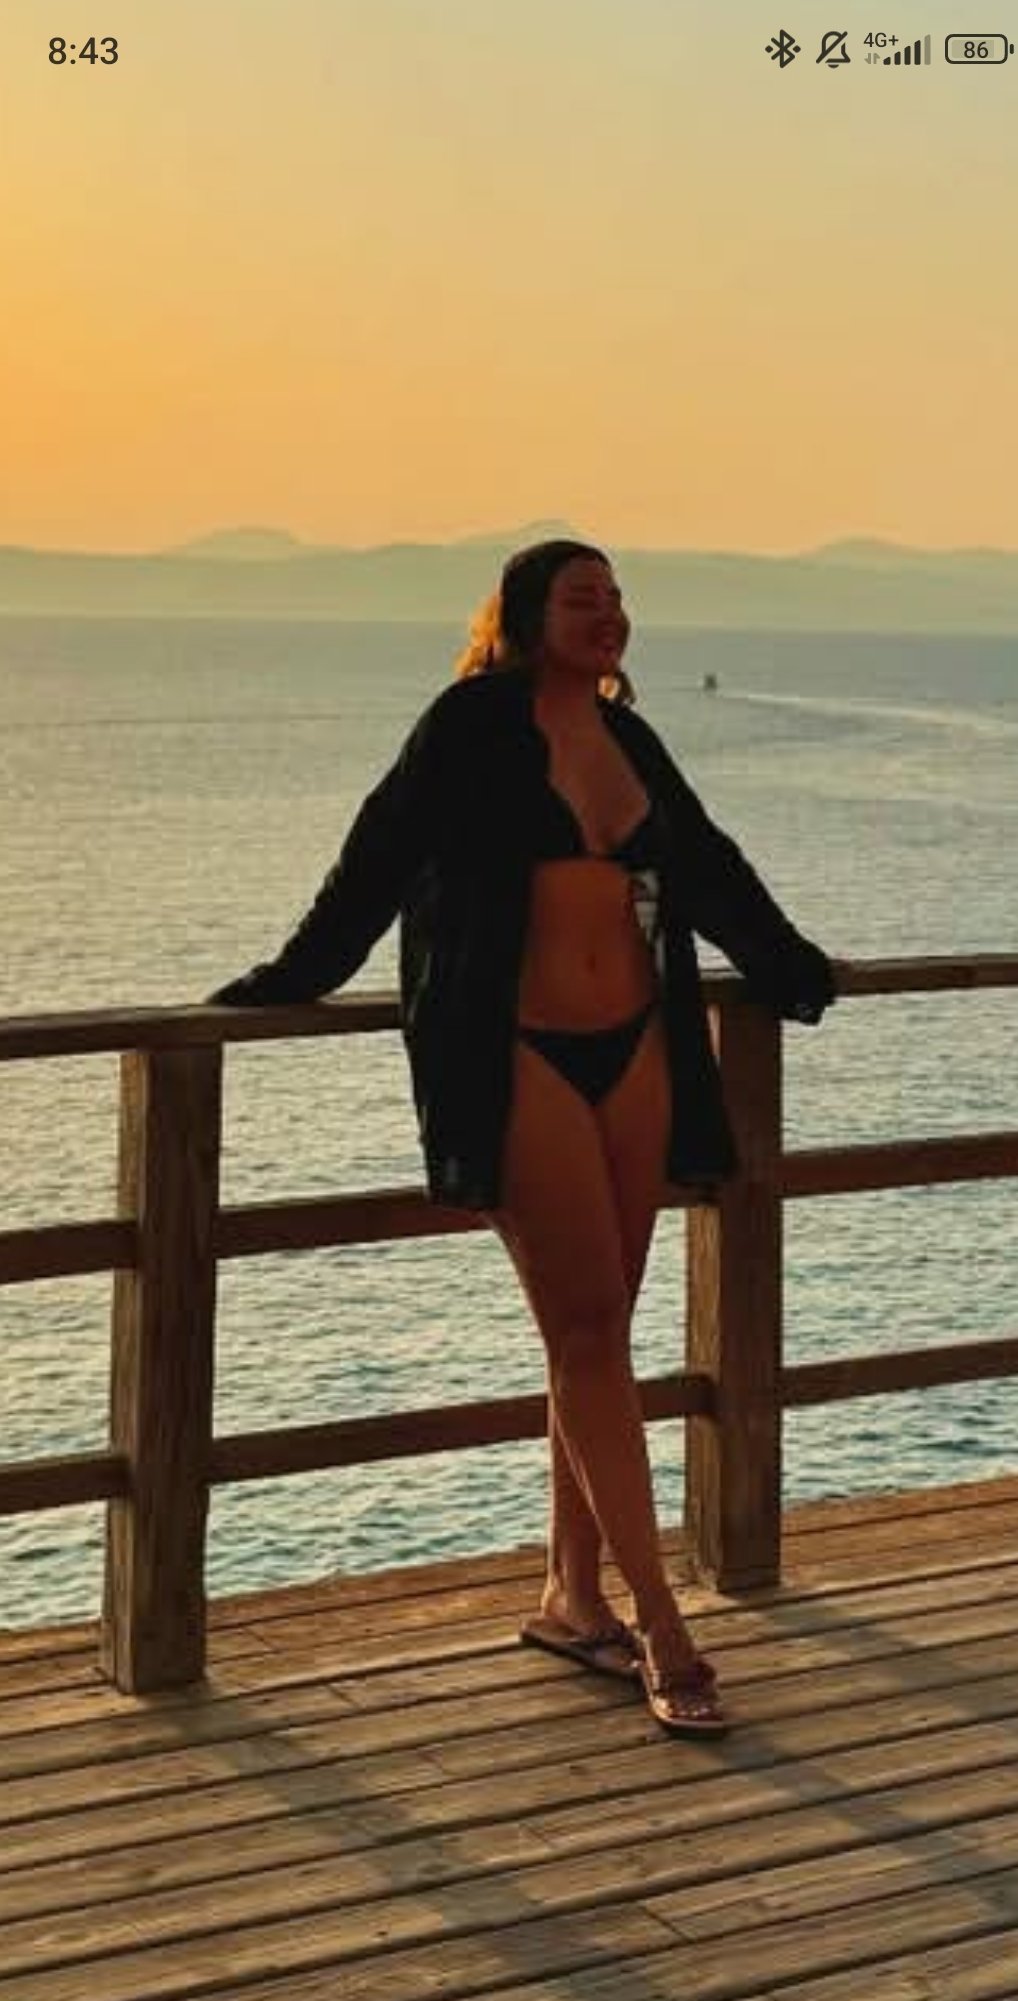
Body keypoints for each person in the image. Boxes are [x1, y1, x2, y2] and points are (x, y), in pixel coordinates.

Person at [205, 537, 839, 1735]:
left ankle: (571, 1597)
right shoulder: (469, 727)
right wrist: (291, 977)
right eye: (582, 598)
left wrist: (792, 967)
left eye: (618, 599)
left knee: (592, 1338)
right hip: (518, 1052)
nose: (609, 615)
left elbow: (704, 866)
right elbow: (378, 855)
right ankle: (663, 1626)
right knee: (589, 1329)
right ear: (525, 615)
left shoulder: (630, 738)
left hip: (640, 1048)